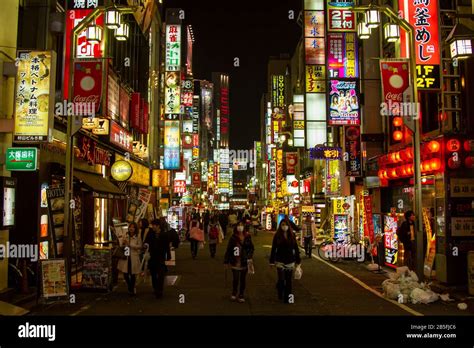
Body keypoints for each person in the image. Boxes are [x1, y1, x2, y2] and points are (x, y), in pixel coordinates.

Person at [269, 218, 301, 303]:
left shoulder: (292, 235)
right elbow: (273, 248)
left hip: (290, 260)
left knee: (289, 281)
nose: (284, 226)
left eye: (286, 225)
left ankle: (288, 298)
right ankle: (280, 291)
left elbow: (296, 248)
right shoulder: (277, 235)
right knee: (282, 279)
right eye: (282, 225)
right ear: (280, 226)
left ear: (288, 226)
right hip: (280, 260)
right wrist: (271, 261)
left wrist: (298, 260)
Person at [224, 220, 254, 303]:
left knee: (243, 279)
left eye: (241, 225)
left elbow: (251, 248)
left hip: (244, 261)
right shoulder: (233, 237)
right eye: (238, 225)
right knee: (236, 279)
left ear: (244, 227)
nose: (240, 227)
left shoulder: (248, 236)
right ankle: (234, 293)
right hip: (235, 261)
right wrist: (226, 261)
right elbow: (229, 249)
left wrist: (249, 256)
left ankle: (241, 294)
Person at [144, 219, 171, 298]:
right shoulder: (150, 233)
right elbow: (146, 241)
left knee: (161, 274)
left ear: (158, 226)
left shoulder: (164, 234)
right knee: (153, 274)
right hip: (152, 256)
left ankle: (160, 290)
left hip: (161, 256)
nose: (152, 227)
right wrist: (145, 245)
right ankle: (155, 288)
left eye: (154, 225)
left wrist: (168, 256)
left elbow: (167, 246)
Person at [117, 222, 143, 296]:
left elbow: (140, 246)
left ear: (135, 229)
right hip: (126, 255)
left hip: (134, 256)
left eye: (133, 227)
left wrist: (130, 245)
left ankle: (131, 288)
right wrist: (123, 242)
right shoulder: (126, 235)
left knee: (132, 273)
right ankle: (130, 286)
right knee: (125, 273)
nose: (131, 228)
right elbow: (122, 245)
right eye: (130, 227)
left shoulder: (138, 236)